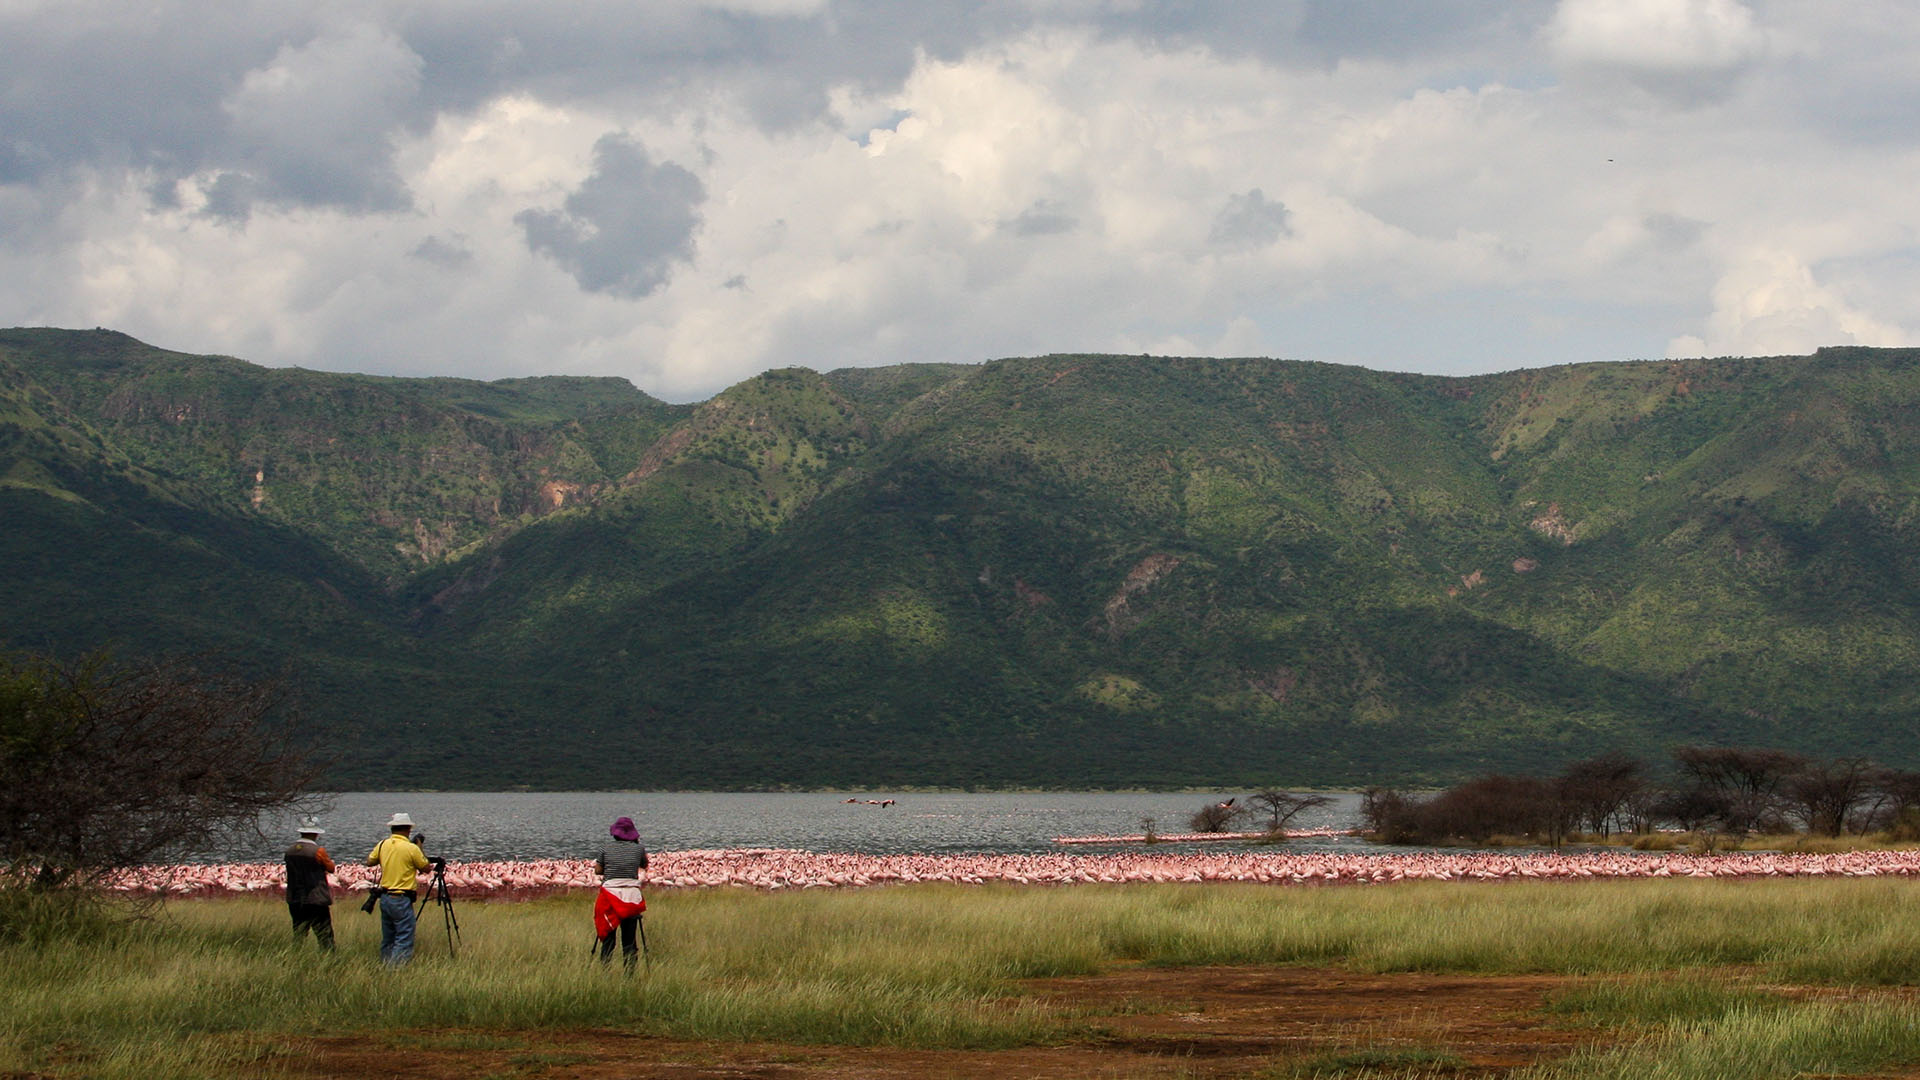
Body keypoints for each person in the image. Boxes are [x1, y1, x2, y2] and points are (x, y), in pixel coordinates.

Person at [365, 812, 431, 966]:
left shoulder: (382, 844)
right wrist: (420, 848)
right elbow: (426, 868)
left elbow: (369, 862)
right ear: (408, 829)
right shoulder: (411, 848)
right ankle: (394, 972)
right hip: (401, 899)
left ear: (392, 828)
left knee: (388, 937)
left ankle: (384, 966)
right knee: (404, 937)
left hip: (385, 898)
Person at [592, 816, 648, 971]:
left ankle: (605, 972)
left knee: (608, 938)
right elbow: (644, 865)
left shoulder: (605, 848)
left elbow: (598, 870)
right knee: (629, 940)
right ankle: (630, 974)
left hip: (610, 897)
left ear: (615, 833)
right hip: (631, 897)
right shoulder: (639, 849)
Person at [284, 818, 335, 950]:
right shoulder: (318, 851)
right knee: (325, 936)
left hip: (295, 898)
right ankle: (329, 962)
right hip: (315, 899)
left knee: (299, 935)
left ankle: (295, 959)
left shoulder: (289, 851)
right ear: (316, 833)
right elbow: (331, 868)